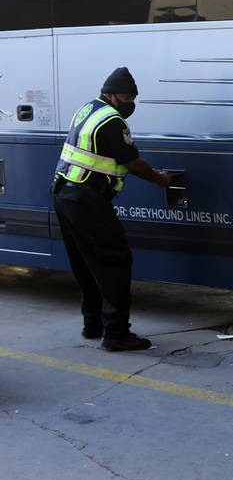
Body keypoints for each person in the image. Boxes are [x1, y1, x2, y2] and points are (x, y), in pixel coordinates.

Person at [51, 67, 172, 352]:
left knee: (85, 261)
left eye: (133, 97)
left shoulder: (89, 109)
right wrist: (160, 179)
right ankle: (116, 332)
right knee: (115, 260)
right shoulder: (112, 121)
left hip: (64, 192)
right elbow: (133, 163)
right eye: (127, 97)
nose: (131, 102)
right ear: (111, 94)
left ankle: (93, 323)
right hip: (86, 198)